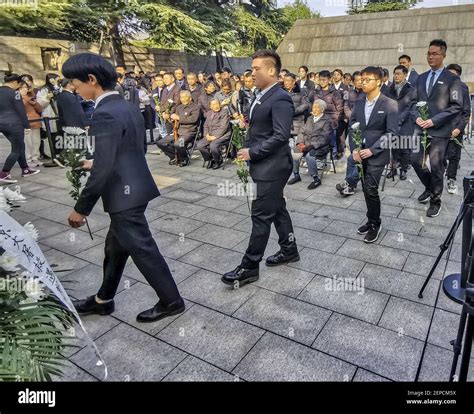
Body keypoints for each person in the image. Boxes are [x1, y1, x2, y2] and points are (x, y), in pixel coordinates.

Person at [62, 52, 184, 322]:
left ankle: (172, 301)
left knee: (143, 249)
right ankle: (103, 299)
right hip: (136, 186)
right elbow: (130, 149)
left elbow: (106, 168)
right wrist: (97, 161)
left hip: (123, 195)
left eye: (75, 82)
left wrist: (81, 209)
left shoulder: (104, 113)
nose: (74, 88)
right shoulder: (125, 105)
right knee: (115, 248)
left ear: (91, 79)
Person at [222, 50, 299, 287]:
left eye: (256, 68)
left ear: (272, 71)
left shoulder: (280, 98)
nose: (251, 72)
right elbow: (258, 128)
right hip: (263, 164)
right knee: (277, 209)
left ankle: (249, 266)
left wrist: (252, 152)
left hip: (273, 167)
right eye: (252, 68)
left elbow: (280, 135)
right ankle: (289, 249)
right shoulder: (261, 94)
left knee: (260, 215)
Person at [410, 39, 463, 217]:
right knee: (415, 160)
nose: (430, 57)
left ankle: (435, 200)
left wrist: (434, 121)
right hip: (420, 129)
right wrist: (416, 117)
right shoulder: (421, 78)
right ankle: (430, 186)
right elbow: (412, 102)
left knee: (436, 166)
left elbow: (456, 106)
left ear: (443, 55)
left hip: (440, 130)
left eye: (435, 54)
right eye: (428, 53)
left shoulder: (452, 79)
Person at [348, 66, 399, 243]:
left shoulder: (389, 104)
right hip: (360, 153)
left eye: (367, 79)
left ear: (378, 81)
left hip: (377, 154)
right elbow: (352, 125)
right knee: (365, 187)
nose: (362, 82)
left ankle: (375, 223)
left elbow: (392, 134)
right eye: (361, 79)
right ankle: (370, 220)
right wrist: (354, 148)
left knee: (370, 187)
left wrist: (372, 149)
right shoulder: (359, 102)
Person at [0, 73, 40, 182]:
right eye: (18, 84)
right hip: (14, 124)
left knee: (19, 145)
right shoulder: (15, 93)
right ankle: (4, 173)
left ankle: (25, 169)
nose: (18, 87)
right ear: (14, 82)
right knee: (17, 149)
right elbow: (21, 110)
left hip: (2, 124)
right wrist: (26, 125)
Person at [287, 99, 332, 190]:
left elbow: (324, 138)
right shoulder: (310, 118)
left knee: (309, 156)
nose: (314, 109)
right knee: (295, 152)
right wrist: (300, 143)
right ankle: (296, 175)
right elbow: (301, 131)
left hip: (319, 147)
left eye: (316, 108)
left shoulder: (327, 121)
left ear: (322, 109)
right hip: (305, 145)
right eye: (313, 107)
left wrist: (309, 146)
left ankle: (316, 179)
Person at [444, 63, 471, 194]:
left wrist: (459, 129)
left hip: (455, 129)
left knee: (453, 156)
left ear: (457, 75)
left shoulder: (463, 87)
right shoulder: (441, 87)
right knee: (439, 156)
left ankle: (451, 179)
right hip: (441, 128)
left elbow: (466, 112)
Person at [156, 90, 200, 167]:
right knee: (160, 142)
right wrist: (170, 118)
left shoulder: (195, 107)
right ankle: (174, 156)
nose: (182, 99)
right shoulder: (179, 107)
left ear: (189, 98)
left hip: (189, 132)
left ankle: (184, 158)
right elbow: (174, 120)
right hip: (177, 131)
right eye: (181, 97)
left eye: (184, 97)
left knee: (179, 144)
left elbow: (193, 119)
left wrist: (179, 117)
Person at [386, 65, 415, 181]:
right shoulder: (390, 88)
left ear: (404, 75)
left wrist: (400, 119)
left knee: (405, 148)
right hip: (392, 122)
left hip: (406, 123)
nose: (396, 76)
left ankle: (403, 170)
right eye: (395, 73)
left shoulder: (411, 89)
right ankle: (393, 169)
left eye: (398, 74)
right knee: (393, 148)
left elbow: (410, 107)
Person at [196, 98, 231, 169]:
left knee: (213, 145)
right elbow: (205, 125)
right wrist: (206, 135)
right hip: (210, 135)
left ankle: (218, 161)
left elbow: (223, 127)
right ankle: (210, 159)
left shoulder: (224, 112)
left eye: (217, 104)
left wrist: (215, 136)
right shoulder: (209, 113)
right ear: (210, 107)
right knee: (200, 145)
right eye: (214, 104)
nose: (216, 106)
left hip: (222, 135)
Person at [19, 81, 43, 167]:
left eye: (25, 87)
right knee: (27, 142)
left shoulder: (31, 97)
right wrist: (26, 99)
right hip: (25, 122)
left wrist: (35, 102)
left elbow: (40, 109)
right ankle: (28, 159)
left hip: (35, 120)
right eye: (21, 88)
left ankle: (35, 157)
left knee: (36, 141)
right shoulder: (17, 98)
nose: (24, 89)